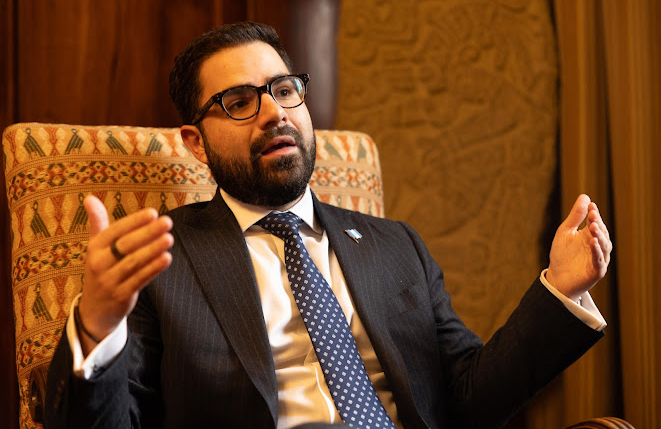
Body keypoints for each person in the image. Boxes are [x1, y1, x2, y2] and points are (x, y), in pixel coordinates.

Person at [45, 22, 611, 429]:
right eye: (239, 101)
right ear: (196, 142)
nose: (275, 113)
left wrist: (561, 290)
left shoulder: (396, 246)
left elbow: (467, 398)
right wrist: (98, 325)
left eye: (284, 89)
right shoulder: (159, 261)